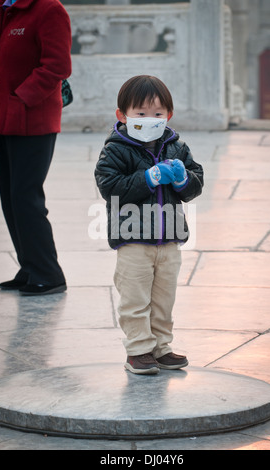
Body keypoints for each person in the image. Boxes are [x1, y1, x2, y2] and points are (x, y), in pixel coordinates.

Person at [95, 75, 204, 374]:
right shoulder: (116, 149)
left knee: (163, 299)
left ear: (168, 115)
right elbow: (110, 186)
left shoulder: (176, 146)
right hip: (132, 240)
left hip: (169, 240)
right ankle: (139, 350)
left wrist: (184, 179)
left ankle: (161, 347)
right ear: (122, 115)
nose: (150, 119)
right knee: (135, 298)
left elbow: (195, 185)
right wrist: (149, 177)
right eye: (140, 114)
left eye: (157, 114)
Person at [0, 0, 72, 295]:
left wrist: (21, 98)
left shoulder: (49, 9)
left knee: (27, 199)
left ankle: (48, 274)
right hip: (1, 119)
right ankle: (29, 267)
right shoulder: (4, 9)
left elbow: (58, 66)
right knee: (11, 200)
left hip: (33, 121)